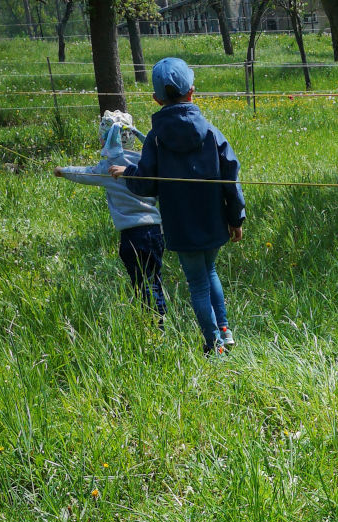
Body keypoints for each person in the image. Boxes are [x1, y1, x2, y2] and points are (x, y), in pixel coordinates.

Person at [110, 57, 245, 354]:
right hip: (214, 221)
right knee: (210, 272)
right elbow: (230, 177)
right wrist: (236, 218)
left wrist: (126, 173)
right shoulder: (211, 132)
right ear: (192, 91)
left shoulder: (156, 139)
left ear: (156, 99)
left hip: (181, 227)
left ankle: (214, 346)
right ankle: (224, 329)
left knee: (198, 282)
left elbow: (146, 182)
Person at [54, 111, 166, 322]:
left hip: (133, 234)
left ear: (104, 138)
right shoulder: (145, 162)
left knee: (141, 283)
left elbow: (84, 173)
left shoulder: (110, 167)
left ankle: (154, 324)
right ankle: (160, 318)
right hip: (156, 231)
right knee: (154, 279)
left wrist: (62, 170)